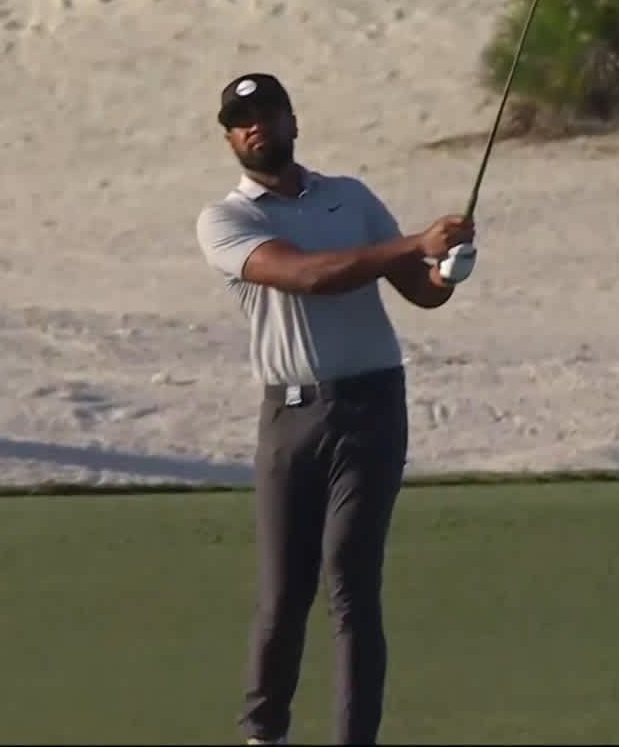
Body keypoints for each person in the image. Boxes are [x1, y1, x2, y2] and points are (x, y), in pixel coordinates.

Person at [195, 73, 475, 745]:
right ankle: (265, 734)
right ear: (230, 139)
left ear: (293, 121)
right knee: (284, 593)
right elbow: (306, 276)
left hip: (373, 405)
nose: (255, 127)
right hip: (289, 416)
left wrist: (447, 270)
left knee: (351, 581)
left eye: (266, 113)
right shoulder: (226, 220)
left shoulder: (351, 197)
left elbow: (419, 290)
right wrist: (414, 244)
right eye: (241, 121)